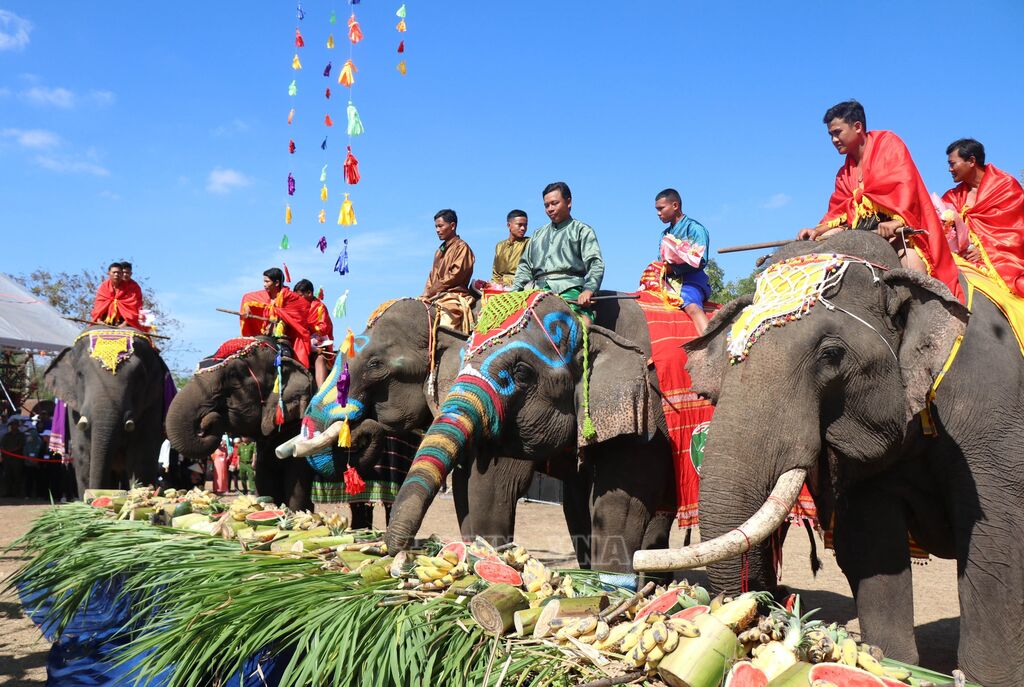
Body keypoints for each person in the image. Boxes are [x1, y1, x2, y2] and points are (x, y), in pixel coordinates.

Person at [798, 100, 962, 301]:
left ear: (857, 127)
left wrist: (896, 222)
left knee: (914, 273)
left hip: (900, 233)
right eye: (830, 135)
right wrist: (818, 230)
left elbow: (906, 188)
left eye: (837, 132)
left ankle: (929, 319)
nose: (833, 139)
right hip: (861, 233)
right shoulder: (844, 172)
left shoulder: (888, 144)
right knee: (824, 248)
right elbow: (840, 211)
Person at [511, 181, 605, 323]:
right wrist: (514, 293)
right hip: (536, 292)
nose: (550, 208)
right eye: (546, 205)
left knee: (582, 325)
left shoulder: (582, 231)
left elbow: (595, 264)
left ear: (568, 202)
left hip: (570, 291)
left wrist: (589, 290)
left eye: (554, 203)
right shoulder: (538, 234)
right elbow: (524, 267)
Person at [941, 138, 1024, 297]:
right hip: (963, 262)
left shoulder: (1005, 187)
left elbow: (1016, 235)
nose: (950, 169)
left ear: (971, 161)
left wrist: (984, 253)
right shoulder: (952, 197)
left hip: (1004, 263)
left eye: (953, 164)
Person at [655, 188, 711, 334]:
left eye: (661, 208)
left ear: (675, 205)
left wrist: (673, 269)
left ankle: (711, 348)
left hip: (691, 281)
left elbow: (701, 261)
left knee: (691, 306)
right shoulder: (664, 234)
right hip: (668, 283)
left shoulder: (695, 229)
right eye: (657, 209)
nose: (658, 213)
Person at [239, 268, 312, 367]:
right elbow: (247, 297)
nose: (264, 284)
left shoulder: (289, 296)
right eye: (264, 281)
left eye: (267, 281)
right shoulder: (264, 295)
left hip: (282, 338)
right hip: (264, 336)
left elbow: (304, 306)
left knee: (286, 359)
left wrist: (280, 314)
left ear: (277, 283)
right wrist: (246, 310)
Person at [421, 209, 476, 332]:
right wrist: (425, 294)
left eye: (440, 226)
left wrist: (432, 291)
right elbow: (432, 275)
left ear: (452, 226)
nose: (437, 230)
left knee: (447, 324)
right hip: (435, 295)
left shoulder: (462, 247)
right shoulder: (439, 250)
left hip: (453, 295)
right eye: (436, 226)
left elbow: (455, 275)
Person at [294, 279, 335, 387]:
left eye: (300, 296)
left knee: (320, 357)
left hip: (318, 341)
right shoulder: (295, 307)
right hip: (299, 341)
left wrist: (307, 327)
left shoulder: (319, 307)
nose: (298, 299)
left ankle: (321, 391)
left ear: (309, 293)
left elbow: (324, 328)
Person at [91, 262, 147, 330]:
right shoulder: (103, 286)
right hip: (104, 321)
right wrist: (99, 321)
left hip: (126, 322)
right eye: (114, 272)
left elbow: (134, 309)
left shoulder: (132, 287)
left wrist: (125, 324)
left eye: (118, 273)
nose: (116, 275)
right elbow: (98, 307)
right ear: (108, 273)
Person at [491, 210, 530, 286]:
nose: (523, 228)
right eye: (520, 225)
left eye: (525, 225)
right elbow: (495, 273)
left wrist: (508, 282)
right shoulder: (499, 246)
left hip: (520, 287)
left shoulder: (529, 243)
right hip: (499, 286)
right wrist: (494, 285)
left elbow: (528, 272)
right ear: (509, 225)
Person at [0, 418, 25, 498]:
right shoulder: (7, 435)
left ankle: (17, 492)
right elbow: (2, 444)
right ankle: (8, 492)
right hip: (7, 459)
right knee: (7, 476)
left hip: (17, 459)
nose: (13, 426)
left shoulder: (21, 435)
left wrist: (11, 451)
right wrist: (5, 452)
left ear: (17, 426)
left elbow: (21, 446)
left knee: (17, 476)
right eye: (12, 425)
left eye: (15, 425)